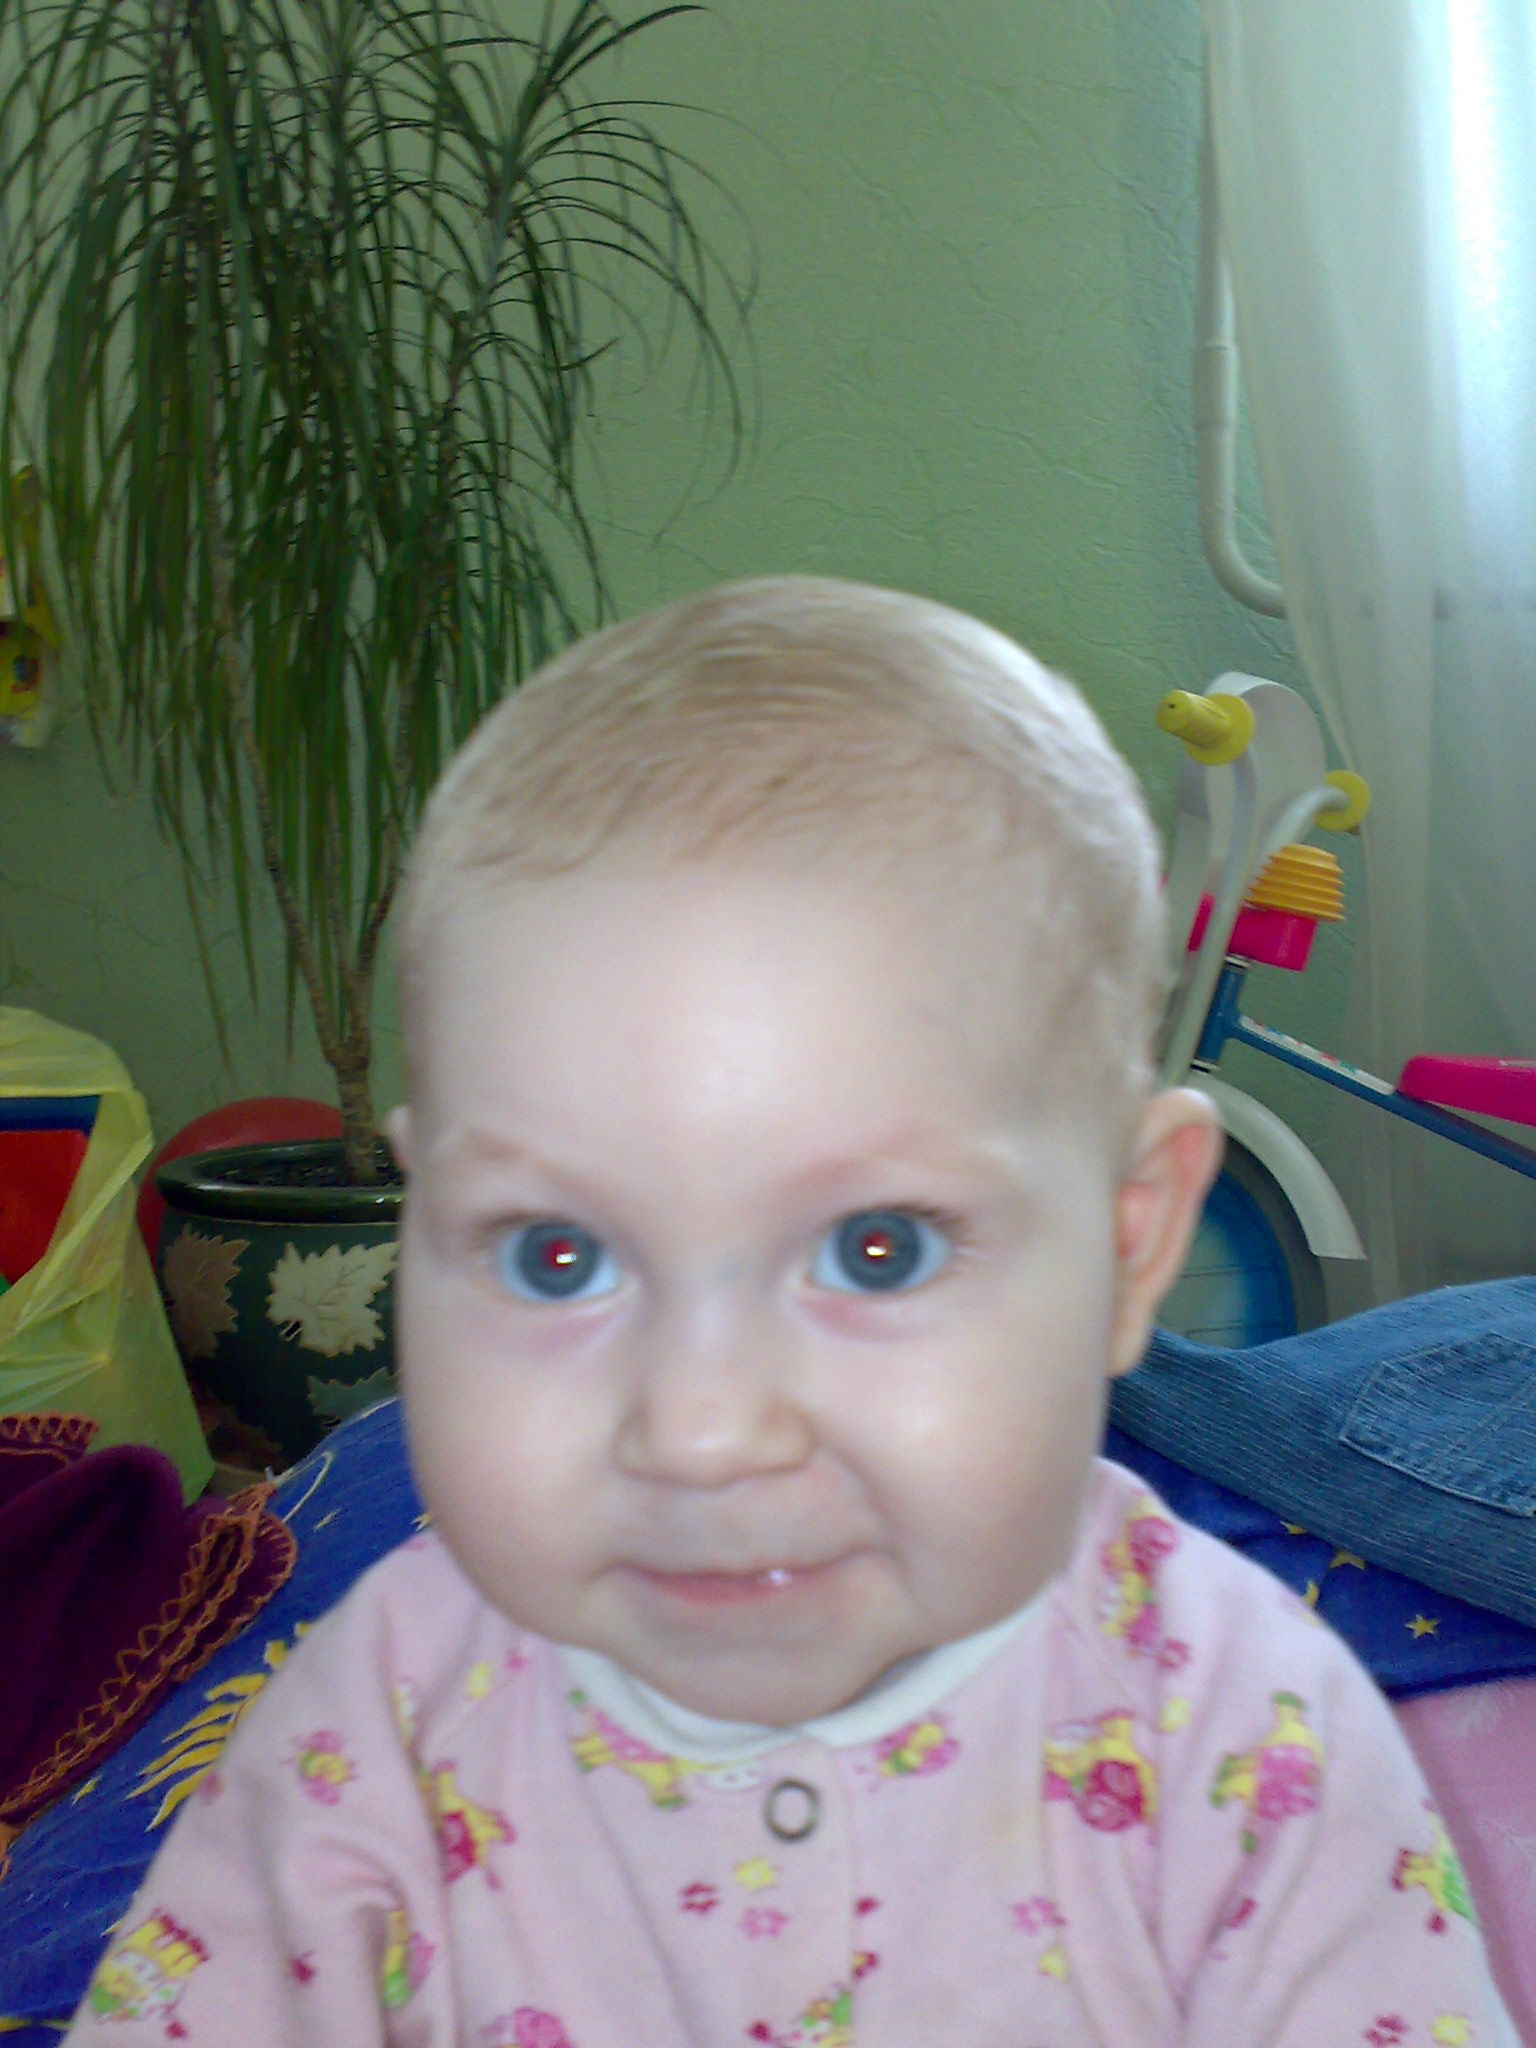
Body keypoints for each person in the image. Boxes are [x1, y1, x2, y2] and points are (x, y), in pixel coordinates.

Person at [65, 580, 1517, 2045]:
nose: (700, 1428)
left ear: (1129, 1245)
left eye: (877, 1251)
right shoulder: (377, 1717)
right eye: (556, 1256)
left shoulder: (1243, 1740)